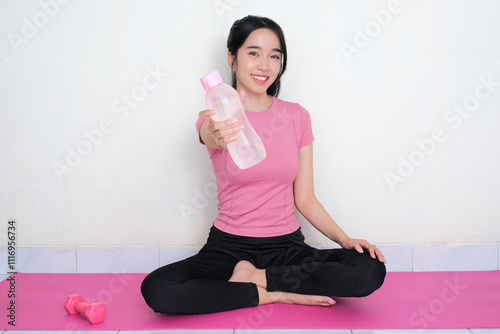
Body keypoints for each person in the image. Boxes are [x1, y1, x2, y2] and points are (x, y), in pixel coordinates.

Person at [141, 15, 386, 315]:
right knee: (158, 288)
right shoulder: (216, 117)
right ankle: (271, 293)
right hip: (227, 247)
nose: (264, 65)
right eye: (253, 53)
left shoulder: (297, 116)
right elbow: (210, 134)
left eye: (274, 56)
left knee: (368, 269)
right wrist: (214, 132)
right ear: (232, 59)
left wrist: (345, 239)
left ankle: (257, 279)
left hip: (285, 247)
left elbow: (305, 198)